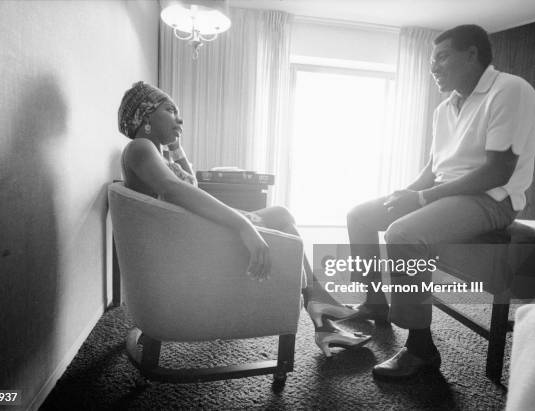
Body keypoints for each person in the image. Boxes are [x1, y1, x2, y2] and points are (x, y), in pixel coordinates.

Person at [117, 81, 371, 362]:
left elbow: (192, 185)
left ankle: (321, 315)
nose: (180, 119)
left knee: (282, 218)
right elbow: (174, 189)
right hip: (187, 250)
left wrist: (176, 145)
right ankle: (318, 305)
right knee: (282, 217)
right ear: (146, 115)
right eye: (170, 110)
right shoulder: (140, 147)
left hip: (191, 238)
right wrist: (242, 224)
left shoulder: (154, 152)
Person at [347, 25, 535, 379]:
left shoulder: (510, 90)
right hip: (446, 194)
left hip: (491, 199)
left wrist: (422, 198)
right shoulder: (444, 108)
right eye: (431, 60)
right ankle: (374, 301)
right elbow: (434, 168)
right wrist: (404, 195)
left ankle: (421, 349)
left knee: (402, 234)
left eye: (441, 57)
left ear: (472, 54)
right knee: (360, 215)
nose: (433, 67)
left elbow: (498, 171)